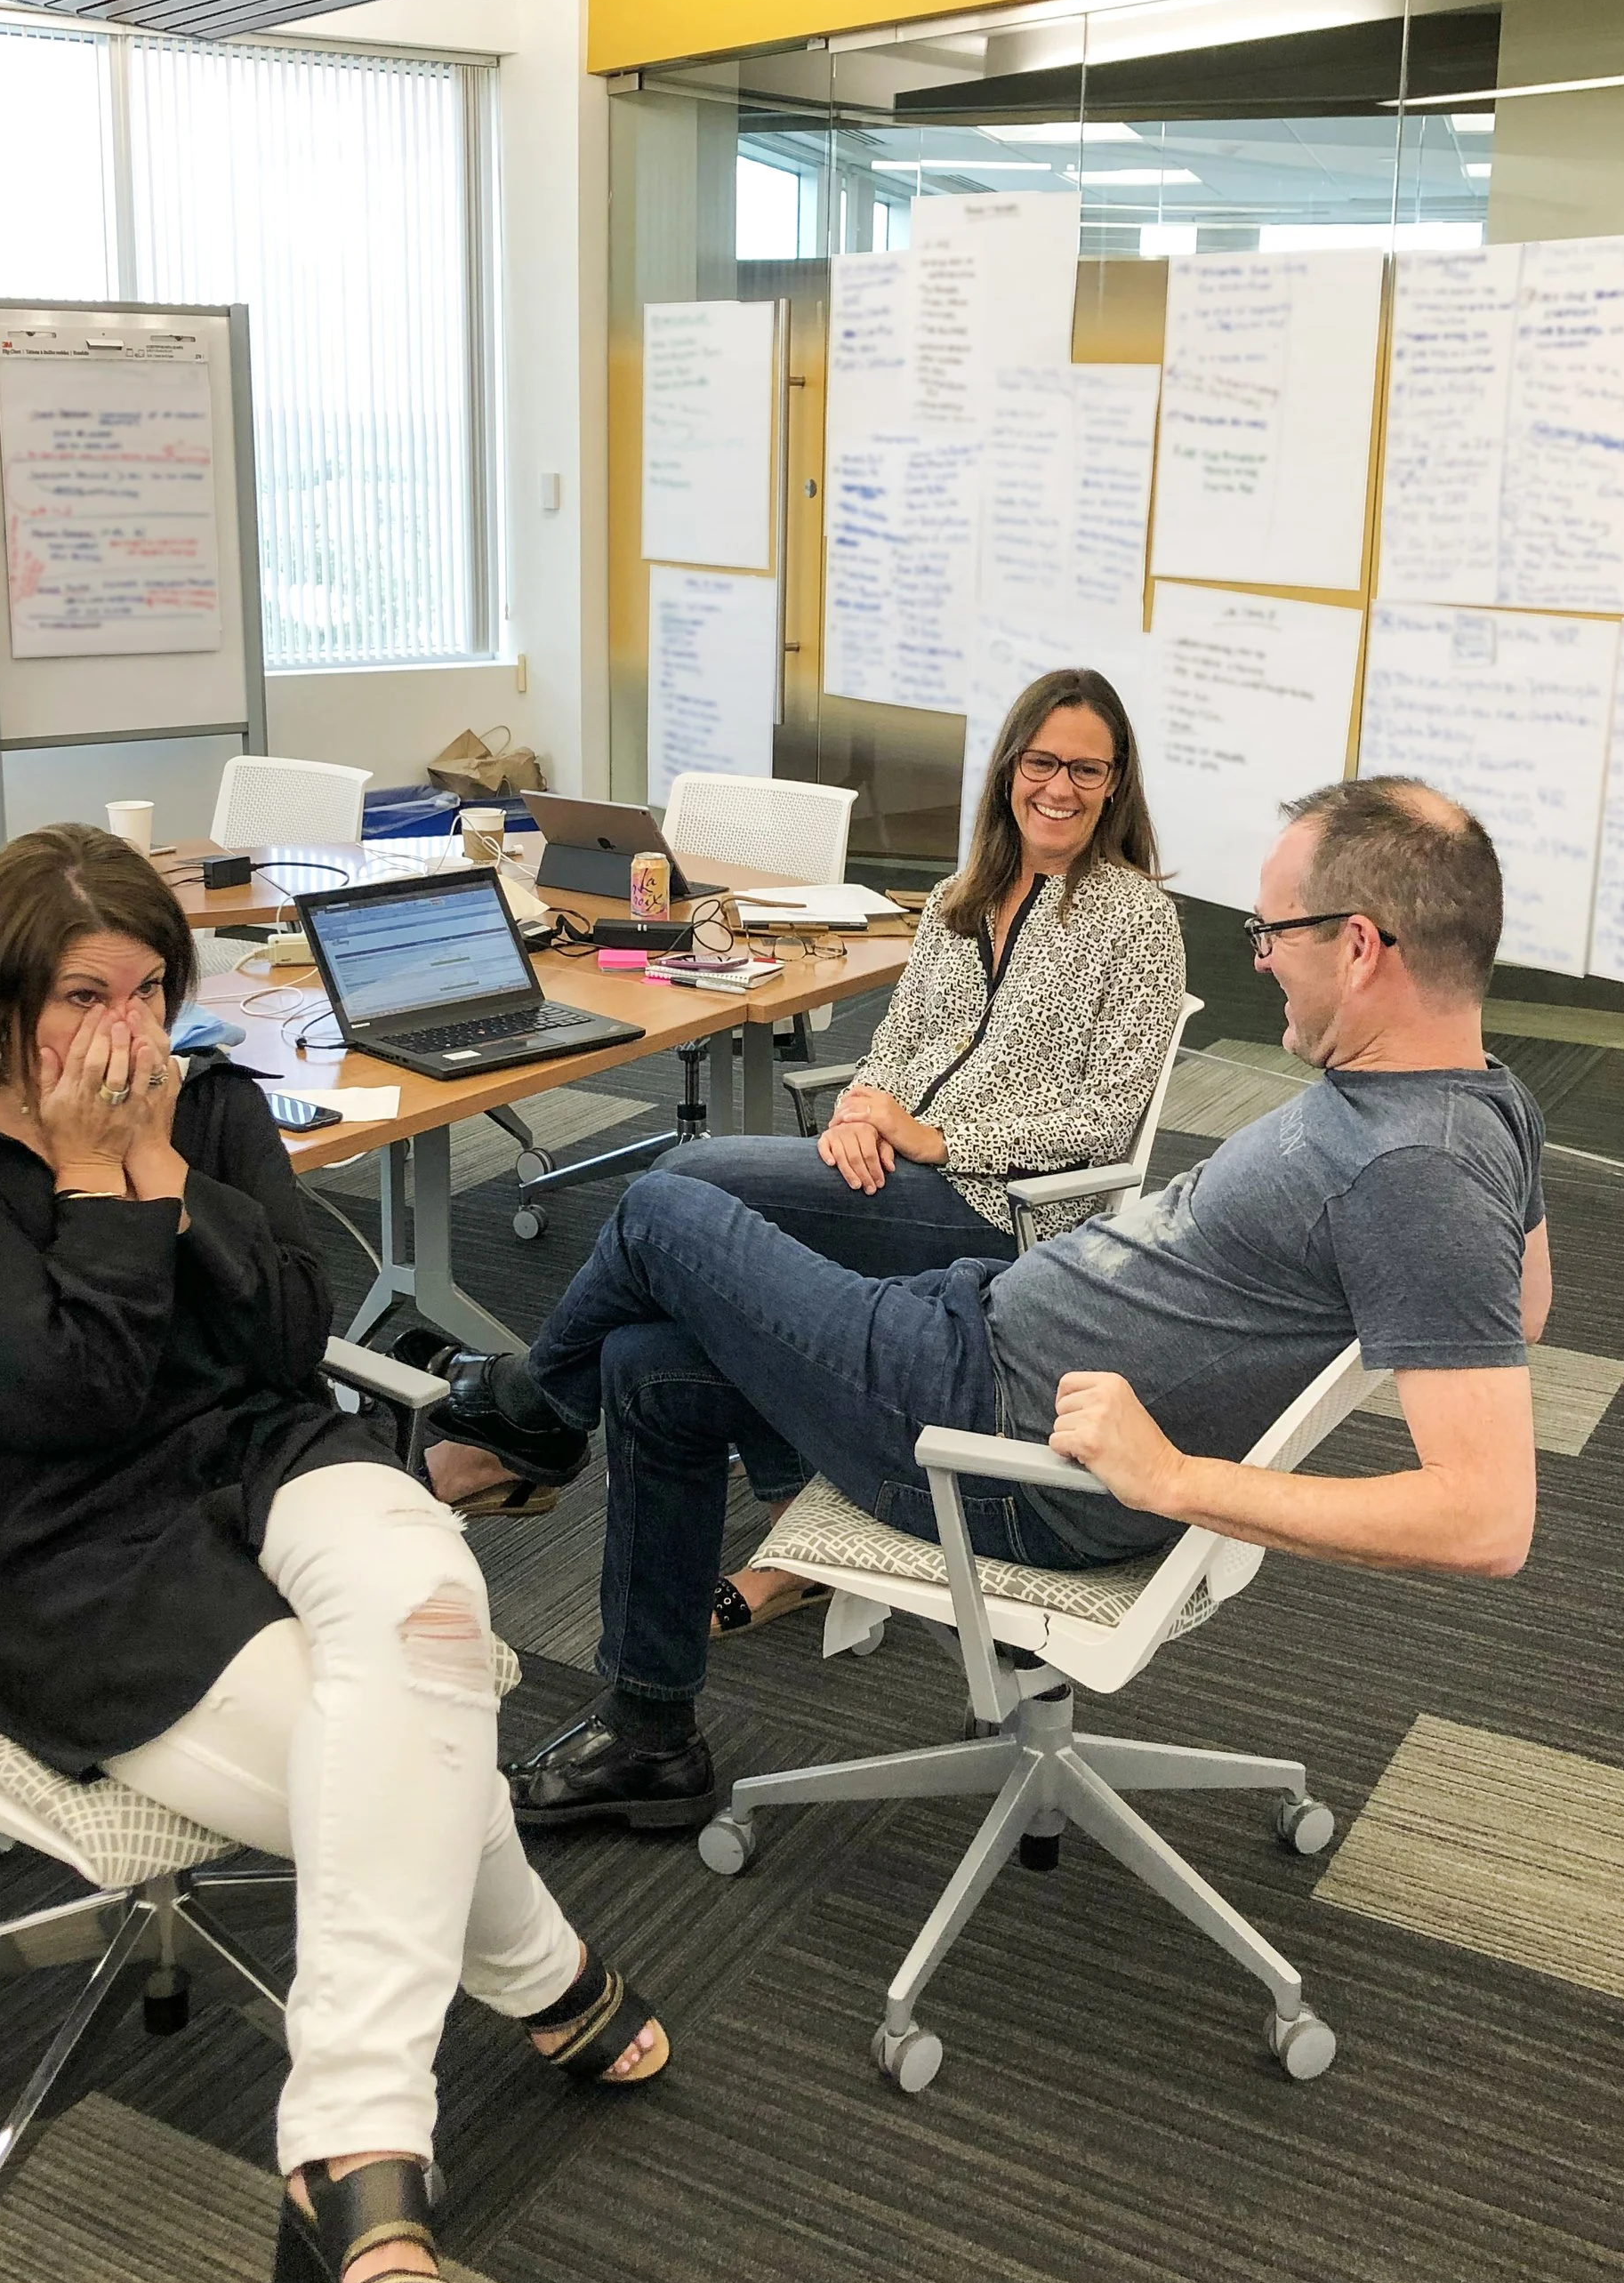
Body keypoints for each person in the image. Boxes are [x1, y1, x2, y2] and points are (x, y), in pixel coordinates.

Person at [0, 824, 663, 2283]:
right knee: (397, 1744)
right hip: (77, 1563)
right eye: (85, 992)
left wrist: (162, 1172)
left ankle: (441, 2062)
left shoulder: (210, 1103)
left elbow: (299, 1333)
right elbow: (79, 1398)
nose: (128, 1026)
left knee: (432, 1607)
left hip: (263, 1466)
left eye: (150, 984)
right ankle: (386, 2148)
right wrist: (96, 1181)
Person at [421, 776, 1549, 1832]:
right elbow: (1523, 1312)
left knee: (666, 1208)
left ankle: (519, 1425)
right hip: (974, 1333)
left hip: (992, 1443)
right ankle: (647, 1737)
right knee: (650, 1366)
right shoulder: (1481, 1098)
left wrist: (1176, 1480)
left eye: (1271, 932)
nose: (1258, 961)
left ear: (1358, 948)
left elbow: (1486, 1519)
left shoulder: (1414, 1170)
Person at [426, 667, 1189, 1650]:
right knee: (646, 1345)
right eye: (1043, 762)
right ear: (1009, 769)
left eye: (1088, 770)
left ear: (1117, 782)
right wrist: (864, 1115)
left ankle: (536, 1411)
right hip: (896, 1172)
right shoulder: (963, 896)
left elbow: (1109, 1115)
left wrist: (942, 1138)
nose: (1061, 788)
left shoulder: (1135, 917)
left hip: (1005, 1215)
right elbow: (901, 1040)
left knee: (679, 1188)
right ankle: (663, 1675)